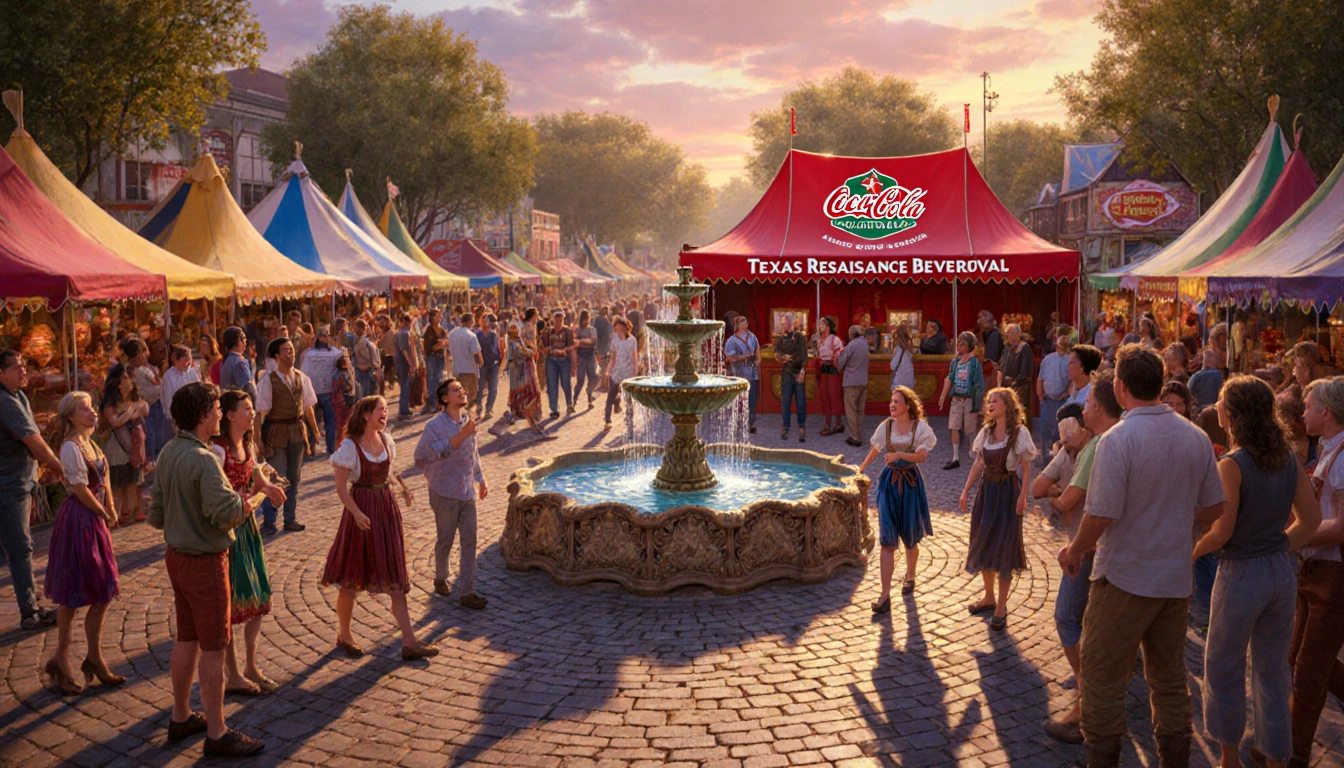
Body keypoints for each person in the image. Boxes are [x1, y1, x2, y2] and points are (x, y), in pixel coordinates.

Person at [1057, 344, 1225, 768]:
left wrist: (1075, 549)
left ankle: (1102, 758)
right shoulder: (1195, 436)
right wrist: (1178, 521)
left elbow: (1101, 514)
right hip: (1173, 581)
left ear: (1121, 387)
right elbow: (1213, 509)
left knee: (1101, 677)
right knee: (1169, 680)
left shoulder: (1119, 439)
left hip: (1124, 579)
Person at [1195, 376, 1320, 768]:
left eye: (1221, 401)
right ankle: (1276, 757)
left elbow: (1222, 531)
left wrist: (1190, 552)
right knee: (1272, 671)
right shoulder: (1289, 459)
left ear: (1233, 414)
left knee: (1223, 666)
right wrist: (1280, 546)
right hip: (1279, 572)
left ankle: (1229, 757)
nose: (1217, 406)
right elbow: (1311, 520)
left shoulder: (1232, 465)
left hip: (1240, 573)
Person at [149, 382, 271, 756]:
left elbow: (156, 515)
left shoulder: (169, 451)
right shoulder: (204, 459)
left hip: (177, 556)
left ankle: (181, 715)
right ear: (204, 415)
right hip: (205, 561)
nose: (220, 413)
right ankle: (217, 733)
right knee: (214, 647)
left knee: (187, 638)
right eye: (217, 408)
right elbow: (228, 514)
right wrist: (256, 498)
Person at [321, 396, 439, 661]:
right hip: (361, 511)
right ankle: (344, 635)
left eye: (386, 409)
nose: (385, 414)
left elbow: (389, 473)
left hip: (386, 510)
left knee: (395, 576)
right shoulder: (350, 447)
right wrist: (357, 513)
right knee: (351, 579)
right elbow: (340, 487)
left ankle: (409, 642)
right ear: (366, 415)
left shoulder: (387, 440)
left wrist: (404, 489)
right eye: (380, 410)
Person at [1042, 373, 1121, 744]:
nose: (1084, 407)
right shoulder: (1117, 439)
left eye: (1088, 402)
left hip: (1092, 548)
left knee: (1068, 618)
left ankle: (1086, 703)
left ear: (1098, 407)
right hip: (1118, 551)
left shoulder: (1100, 445)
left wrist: (1075, 548)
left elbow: (1077, 503)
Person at [41, 392, 122, 695]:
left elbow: (105, 479)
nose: (92, 412)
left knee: (103, 589)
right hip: (79, 521)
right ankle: (61, 659)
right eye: (85, 409)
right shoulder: (70, 447)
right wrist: (102, 511)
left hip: (94, 520)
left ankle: (94, 657)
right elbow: (79, 487)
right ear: (71, 416)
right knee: (73, 593)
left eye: (91, 408)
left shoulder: (91, 443)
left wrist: (110, 506)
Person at [210, 390, 287, 697]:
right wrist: (249, 497)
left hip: (248, 528)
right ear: (230, 415)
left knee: (257, 599)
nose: (252, 412)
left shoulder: (249, 444)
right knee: (230, 604)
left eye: (252, 407)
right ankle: (233, 674)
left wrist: (269, 488)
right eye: (246, 408)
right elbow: (217, 494)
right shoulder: (218, 451)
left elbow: (256, 479)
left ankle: (252, 666)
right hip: (228, 532)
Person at [1290, 376, 1344, 766]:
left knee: (1309, 671)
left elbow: (1341, 527)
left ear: (1325, 412)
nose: (1303, 413)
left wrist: (1293, 537)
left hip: (1334, 574)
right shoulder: (1329, 448)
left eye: (1308, 407)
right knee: (1299, 658)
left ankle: (1291, 754)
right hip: (1315, 569)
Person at [960, 387, 1036, 631]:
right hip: (987, 493)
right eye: (988, 401)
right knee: (983, 541)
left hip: (1007, 493)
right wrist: (966, 490)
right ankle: (989, 597)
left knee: (1004, 547)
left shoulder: (1019, 433)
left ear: (1006, 405)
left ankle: (1001, 607)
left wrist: (1023, 496)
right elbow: (980, 463)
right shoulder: (986, 432)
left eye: (995, 401)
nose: (990, 405)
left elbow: (1025, 467)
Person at [857, 386, 936, 613]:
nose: (892, 405)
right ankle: (884, 596)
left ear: (907, 406)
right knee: (887, 540)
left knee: (911, 538)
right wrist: (861, 468)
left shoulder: (920, 428)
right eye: (891, 401)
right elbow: (875, 449)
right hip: (889, 484)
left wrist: (899, 455)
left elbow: (922, 456)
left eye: (896, 401)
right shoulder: (886, 426)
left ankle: (910, 575)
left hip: (910, 484)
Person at [0, 349, 63, 630]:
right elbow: (35, 443)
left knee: (20, 547)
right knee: (20, 548)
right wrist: (62, 470)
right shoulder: (5, 402)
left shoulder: (19, 396)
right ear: (1, 374)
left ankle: (30, 599)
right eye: (16, 367)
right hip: (8, 486)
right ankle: (30, 613)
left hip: (20, 482)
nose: (23, 370)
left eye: (23, 365)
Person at [415, 379, 489, 608]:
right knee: (445, 539)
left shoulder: (468, 421)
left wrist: (480, 479)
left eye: (462, 388)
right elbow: (434, 453)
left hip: (467, 491)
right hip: (444, 492)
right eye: (456, 389)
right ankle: (440, 577)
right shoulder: (434, 426)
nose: (462, 391)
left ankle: (467, 592)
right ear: (445, 398)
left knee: (470, 540)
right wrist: (463, 434)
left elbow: (473, 453)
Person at [254, 338, 319, 535]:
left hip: (297, 432)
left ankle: (290, 519)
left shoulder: (301, 378)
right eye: (286, 350)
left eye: (291, 350)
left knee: (294, 478)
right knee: (275, 477)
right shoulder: (268, 380)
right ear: (276, 355)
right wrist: (258, 439)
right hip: (276, 433)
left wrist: (315, 431)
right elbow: (260, 413)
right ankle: (269, 521)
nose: (290, 353)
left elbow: (308, 408)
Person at [100, 363, 149, 526]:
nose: (130, 381)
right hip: (117, 447)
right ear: (118, 383)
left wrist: (135, 407)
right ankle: (115, 513)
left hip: (134, 446)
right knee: (118, 483)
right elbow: (115, 421)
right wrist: (132, 409)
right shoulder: (110, 403)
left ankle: (130, 511)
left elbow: (145, 410)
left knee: (132, 481)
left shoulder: (134, 398)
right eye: (126, 378)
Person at [937, 332, 985, 470]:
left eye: (963, 344)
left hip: (969, 399)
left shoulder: (974, 363)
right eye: (958, 344)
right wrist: (943, 396)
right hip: (956, 399)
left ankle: (974, 454)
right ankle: (955, 457)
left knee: (970, 428)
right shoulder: (955, 362)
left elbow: (979, 384)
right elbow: (950, 378)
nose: (960, 347)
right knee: (954, 426)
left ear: (969, 346)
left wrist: (979, 403)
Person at [494, 321, 548, 438]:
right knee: (526, 401)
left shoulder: (516, 342)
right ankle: (532, 425)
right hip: (521, 377)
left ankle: (533, 424)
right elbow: (524, 353)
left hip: (522, 376)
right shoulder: (513, 343)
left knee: (524, 402)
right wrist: (531, 349)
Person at [300, 326, 343, 454]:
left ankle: (330, 447)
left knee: (329, 421)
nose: (327, 338)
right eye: (325, 335)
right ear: (319, 337)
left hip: (326, 391)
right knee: (314, 421)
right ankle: (313, 447)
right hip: (315, 392)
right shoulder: (333, 353)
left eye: (328, 335)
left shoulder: (333, 352)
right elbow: (304, 373)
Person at [125, 337, 168, 459]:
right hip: (145, 406)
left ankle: (157, 458)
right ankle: (150, 459)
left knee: (159, 432)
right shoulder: (135, 371)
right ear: (137, 354)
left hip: (156, 403)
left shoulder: (146, 368)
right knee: (150, 433)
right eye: (143, 351)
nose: (146, 354)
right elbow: (156, 384)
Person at [774, 314, 809, 442]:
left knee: (800, 401)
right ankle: (785, 427)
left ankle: (802, 427)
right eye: (782, 323)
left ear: (790, 323)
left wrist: (802, 371)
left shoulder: (799, 337)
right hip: (787, 372)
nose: (784, 325)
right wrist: (783, 357)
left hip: (798, 371)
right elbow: (777, 353)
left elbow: (804, 356)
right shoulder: (781, 339)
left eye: (785, 322)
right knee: (786, 401)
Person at [725, 315, 761, 434]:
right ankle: (738, 424)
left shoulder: (752, 337)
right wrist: (744, 356)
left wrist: (757, 362)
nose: (746, 322)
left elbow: (757, 351)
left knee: (752, 399)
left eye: (746, 320)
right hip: (739, 373)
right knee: (739, 400)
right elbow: (730, 358)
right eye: (742, 321)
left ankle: (750, 424)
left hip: (753, 372)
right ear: (738, 325)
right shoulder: (732, 341)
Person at [996, 323, 1035, 431]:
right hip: (1006, 389)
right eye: (1007, 332)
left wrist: (1014, 381)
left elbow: (1026, 372)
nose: (1007, 334)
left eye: (1009, 332)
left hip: (1020, 389)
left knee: (1020, 416)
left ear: (1017, 334)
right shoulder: (1006, 347)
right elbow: (1002, 366)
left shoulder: (1024, 348)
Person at [837, 324, 870, 448]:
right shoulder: (865, 344)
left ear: (851, 334)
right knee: (860, 411)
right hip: (863, 381)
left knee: (851, 410)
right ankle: (859, 434)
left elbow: (841, 362)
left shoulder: (851, 345)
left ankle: (854, 437)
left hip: (851, 381)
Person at [1037, 335, 1072, 452]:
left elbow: (1073, 381)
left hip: (1062, 400)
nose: (1062, 347)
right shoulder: (1047, 359)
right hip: (1047, 400)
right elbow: (1040, 378)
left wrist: (1066, 394)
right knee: (1045, 429)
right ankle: (1045, 455)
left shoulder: (1070, 361)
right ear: (1056, 346)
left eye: (1065, 345)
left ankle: (1057, 455)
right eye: (1061, 345)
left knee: (1059, 431)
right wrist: (1041, 397)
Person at [605, 317, 639, 432]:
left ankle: (629, 421)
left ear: (625, 328)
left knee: (628, 399)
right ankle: (607, 421)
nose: (618, 331)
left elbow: (635, 358)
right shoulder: (614, 339)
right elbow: (613, 358)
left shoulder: (632, 340)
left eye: (620, 329)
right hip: (616, 372)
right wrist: (608, 371)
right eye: (616, 329)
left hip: (628, 372)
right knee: (610, 396)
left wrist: (635, 375)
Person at [541, 310, 576, 419]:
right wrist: (546, 349)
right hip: (551, 360)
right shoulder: (548, 332)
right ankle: (554, 409)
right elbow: (542, 347)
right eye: (556, 320)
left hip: (564, 360)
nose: (558, 322)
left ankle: (569, 404)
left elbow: (573, 346)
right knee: (552, 385)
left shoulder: (568, 332)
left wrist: (573, 362)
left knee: (566, 383)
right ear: (553, 320)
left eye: (560, 320)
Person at [160, 344, 202, 428]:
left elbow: (199, 391)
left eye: (190, 361)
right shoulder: (169, 376)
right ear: (176, 360)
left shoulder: (192, 372)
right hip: (177, 418)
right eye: (186, 361)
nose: (188, 364)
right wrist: (171, 418)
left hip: (193, 415)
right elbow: (167, 399)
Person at [816, 317, 845, 437]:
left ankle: (838, 423)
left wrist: (836, 362)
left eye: (823, 324)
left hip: (833, 367)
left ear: (828, 326)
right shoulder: (819, 341)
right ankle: (827, 423)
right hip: (824, 367)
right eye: (820, 325)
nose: (820, 327)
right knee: (825, 394)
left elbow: (841, 355)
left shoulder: (835, 340)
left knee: (835, 394)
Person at [393, 314, 420, 419]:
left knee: (406, 387)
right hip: (404, 364)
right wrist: (411, 364)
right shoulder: (404, 333)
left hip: (401, 363)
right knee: (405, 386)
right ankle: (403, 411)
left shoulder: (400, 333)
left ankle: (405, 410)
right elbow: (404, 350)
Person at [475, 313, 501, 419]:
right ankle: (478, 408)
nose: (486, 323)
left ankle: (489, 409)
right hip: (481, 365)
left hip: (493, 364)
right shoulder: (477, 335)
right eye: (484, 320)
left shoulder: (493, 334)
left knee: (493, 388)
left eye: (487, 320)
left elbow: (496, 349)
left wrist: (499, 361)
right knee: (480, 388)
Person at [219, 327, 255, 400]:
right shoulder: (239, 362)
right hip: (239, 403)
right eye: (243, 338)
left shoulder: (227, 360)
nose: (245, 341)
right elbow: (248, 389)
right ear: (237, 340)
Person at [421, 309, 446, 414]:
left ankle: (439, 402)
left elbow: (447, 341)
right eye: (438, 315)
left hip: (440, 357)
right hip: (431, 358)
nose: (440, 317)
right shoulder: (428, 330)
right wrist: (437, 346)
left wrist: (444, 344)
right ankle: (432, 402)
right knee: (431, 380)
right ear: (433, 318)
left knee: (440, 379)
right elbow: (427, 348)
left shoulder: (442, 330)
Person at [574, 309, 599, 410]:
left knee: (593, 377)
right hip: (581, 357)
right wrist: (582, 342)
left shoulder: (592, 330)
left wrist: (581, 341)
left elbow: (593, 342)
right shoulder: (577, 330)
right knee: (580, 380)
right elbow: (574, 342)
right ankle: (574, 400)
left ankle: (590, 397)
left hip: (590, 356)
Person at [332, 353, 358, 444]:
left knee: (339, 425)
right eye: (348, 361)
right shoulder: (345, 374)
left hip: (337, 401)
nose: (350, 363)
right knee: (345, 424)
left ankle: (339, 443)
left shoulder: (335, 374)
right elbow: (348, 387)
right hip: (345, 401)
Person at [890, 322, 916, 393]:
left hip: (899, 381)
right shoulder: (909, 350)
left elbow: (893, 365)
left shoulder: (899, 349)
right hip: (909, 380)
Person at [593, 305, 613, 382]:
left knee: (599, 365)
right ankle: (603, 382)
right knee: (604, 365)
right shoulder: (607, 322)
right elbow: (607, 335)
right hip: (603, 346)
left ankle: (601, 381)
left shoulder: (596, 319)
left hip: (596, 345)